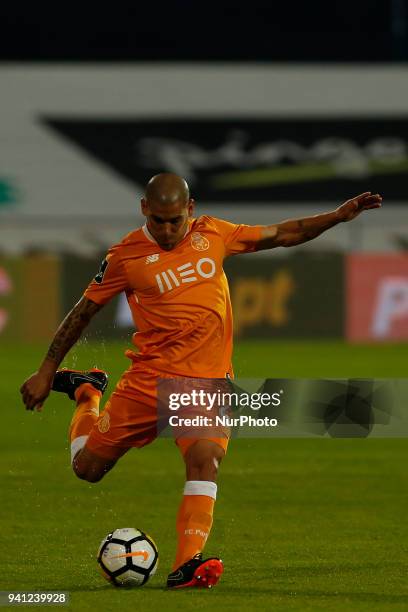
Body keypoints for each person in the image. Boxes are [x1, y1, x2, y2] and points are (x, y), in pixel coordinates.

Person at [20, 174, 382, 589]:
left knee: (205, 459)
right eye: (159, 220)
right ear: (143, 209)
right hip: (147, 381)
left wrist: (337, 217)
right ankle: (88, 391)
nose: (168, 229)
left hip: (205, 382)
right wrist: (48, 370)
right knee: (87, 469)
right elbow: (82, 313)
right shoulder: (125, 257)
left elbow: (282, 233)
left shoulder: (213, 233)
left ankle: (186, 566)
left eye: (175, 220)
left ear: (189, 210)